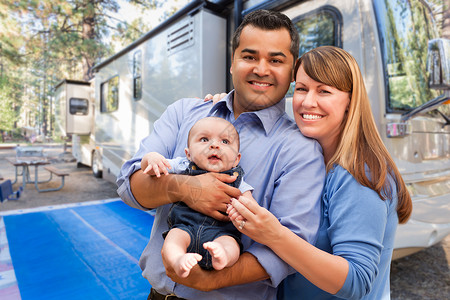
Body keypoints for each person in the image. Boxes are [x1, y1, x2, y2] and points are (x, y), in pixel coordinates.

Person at [116, 9, 325, 300]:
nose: (261, 69)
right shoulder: (183, 113)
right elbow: (129, 186)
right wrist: (186, 188)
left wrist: (210, 281)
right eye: (249, 57)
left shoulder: (301, 150)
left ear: (292, 71)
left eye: (276, 60)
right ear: (232, 62)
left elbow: (291, 248)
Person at [226, 46, 413, 300]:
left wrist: (274, 235)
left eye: (324, 91)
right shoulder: (311, 159)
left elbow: (357, 281)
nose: (307, 101)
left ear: (350, 101)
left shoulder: (358, 174)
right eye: (301, 88)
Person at [141, 117, 253, 278]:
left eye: (225, 142)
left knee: (231, 244)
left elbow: (251, 207)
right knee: (173, 240)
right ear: (189, 153)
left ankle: (223, 256)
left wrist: (244, 211)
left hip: (221, 233)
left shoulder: (237, 180)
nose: (214, 145)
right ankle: (178, 259)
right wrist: (150, 158)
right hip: (185, 227)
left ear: (236, 159)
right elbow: (150, 169)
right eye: (204, 139)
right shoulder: (182, 165)